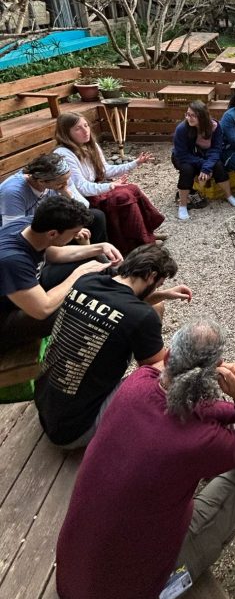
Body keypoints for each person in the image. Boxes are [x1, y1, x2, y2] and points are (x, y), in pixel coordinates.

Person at [56, 319, 235, 599]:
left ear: (168, 356)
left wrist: (233, 414)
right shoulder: (197, 441)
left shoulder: (136, 383)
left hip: (72, 580)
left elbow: (180, 401)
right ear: (215, 373)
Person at [34, 244, 191, 448]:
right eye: (158, 284)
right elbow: (160, 367)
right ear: (151, 276)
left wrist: (162, 294)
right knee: (165, 375)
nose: (157, 288)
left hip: (47, 407)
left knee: (153, 311)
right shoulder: (142, 317)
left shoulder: (86, 282)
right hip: (75, 431)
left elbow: (122, 306)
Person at [0, 196, 117, 353]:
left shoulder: (27, 226)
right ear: (53, 233)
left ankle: (124, 292)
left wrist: (100, 247)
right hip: (8, 318)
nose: (76, 236)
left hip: (28, 289)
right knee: (82, 306)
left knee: (92, 264)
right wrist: (78, 274)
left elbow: (54, 254)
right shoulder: (12, 260)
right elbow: (43, 309)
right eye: (74, 232)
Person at [54, 113, 164, 255]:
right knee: (123, 197)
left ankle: (146, 233)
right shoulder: (64, 154)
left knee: (132, 189)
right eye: (78, 128)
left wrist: (135, 163)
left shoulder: (90, 145)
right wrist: (110, 186)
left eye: (86, 126)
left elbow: (105, 170)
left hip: (95, 189)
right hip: (81, 199)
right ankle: (138, 244)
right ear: (66, 133)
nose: (85, 130)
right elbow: (81, 187)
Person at [0, 152, 108, 242]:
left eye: (67, 180)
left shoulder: (59, 179)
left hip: (49, 223)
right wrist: (69, 231)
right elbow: (13, 229)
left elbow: (84, 207)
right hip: (29, 232)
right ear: (42, 182)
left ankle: (101, 255)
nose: (66, 184)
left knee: (96, 216)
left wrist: (66, 193)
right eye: (61, 183)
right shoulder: (13, 192)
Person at [172, 101, 235, 221]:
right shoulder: (182, 129)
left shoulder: (214, 126)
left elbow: (216, 149)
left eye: (193, 115)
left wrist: (207, 167)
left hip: (204, 156)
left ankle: (229, 195)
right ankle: (183, 205)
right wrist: (205, 166)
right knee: (187, 170)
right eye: (187, 114)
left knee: (218, 165)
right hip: (183, 158)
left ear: (202, 116)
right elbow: (182, 155)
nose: (189, 118)